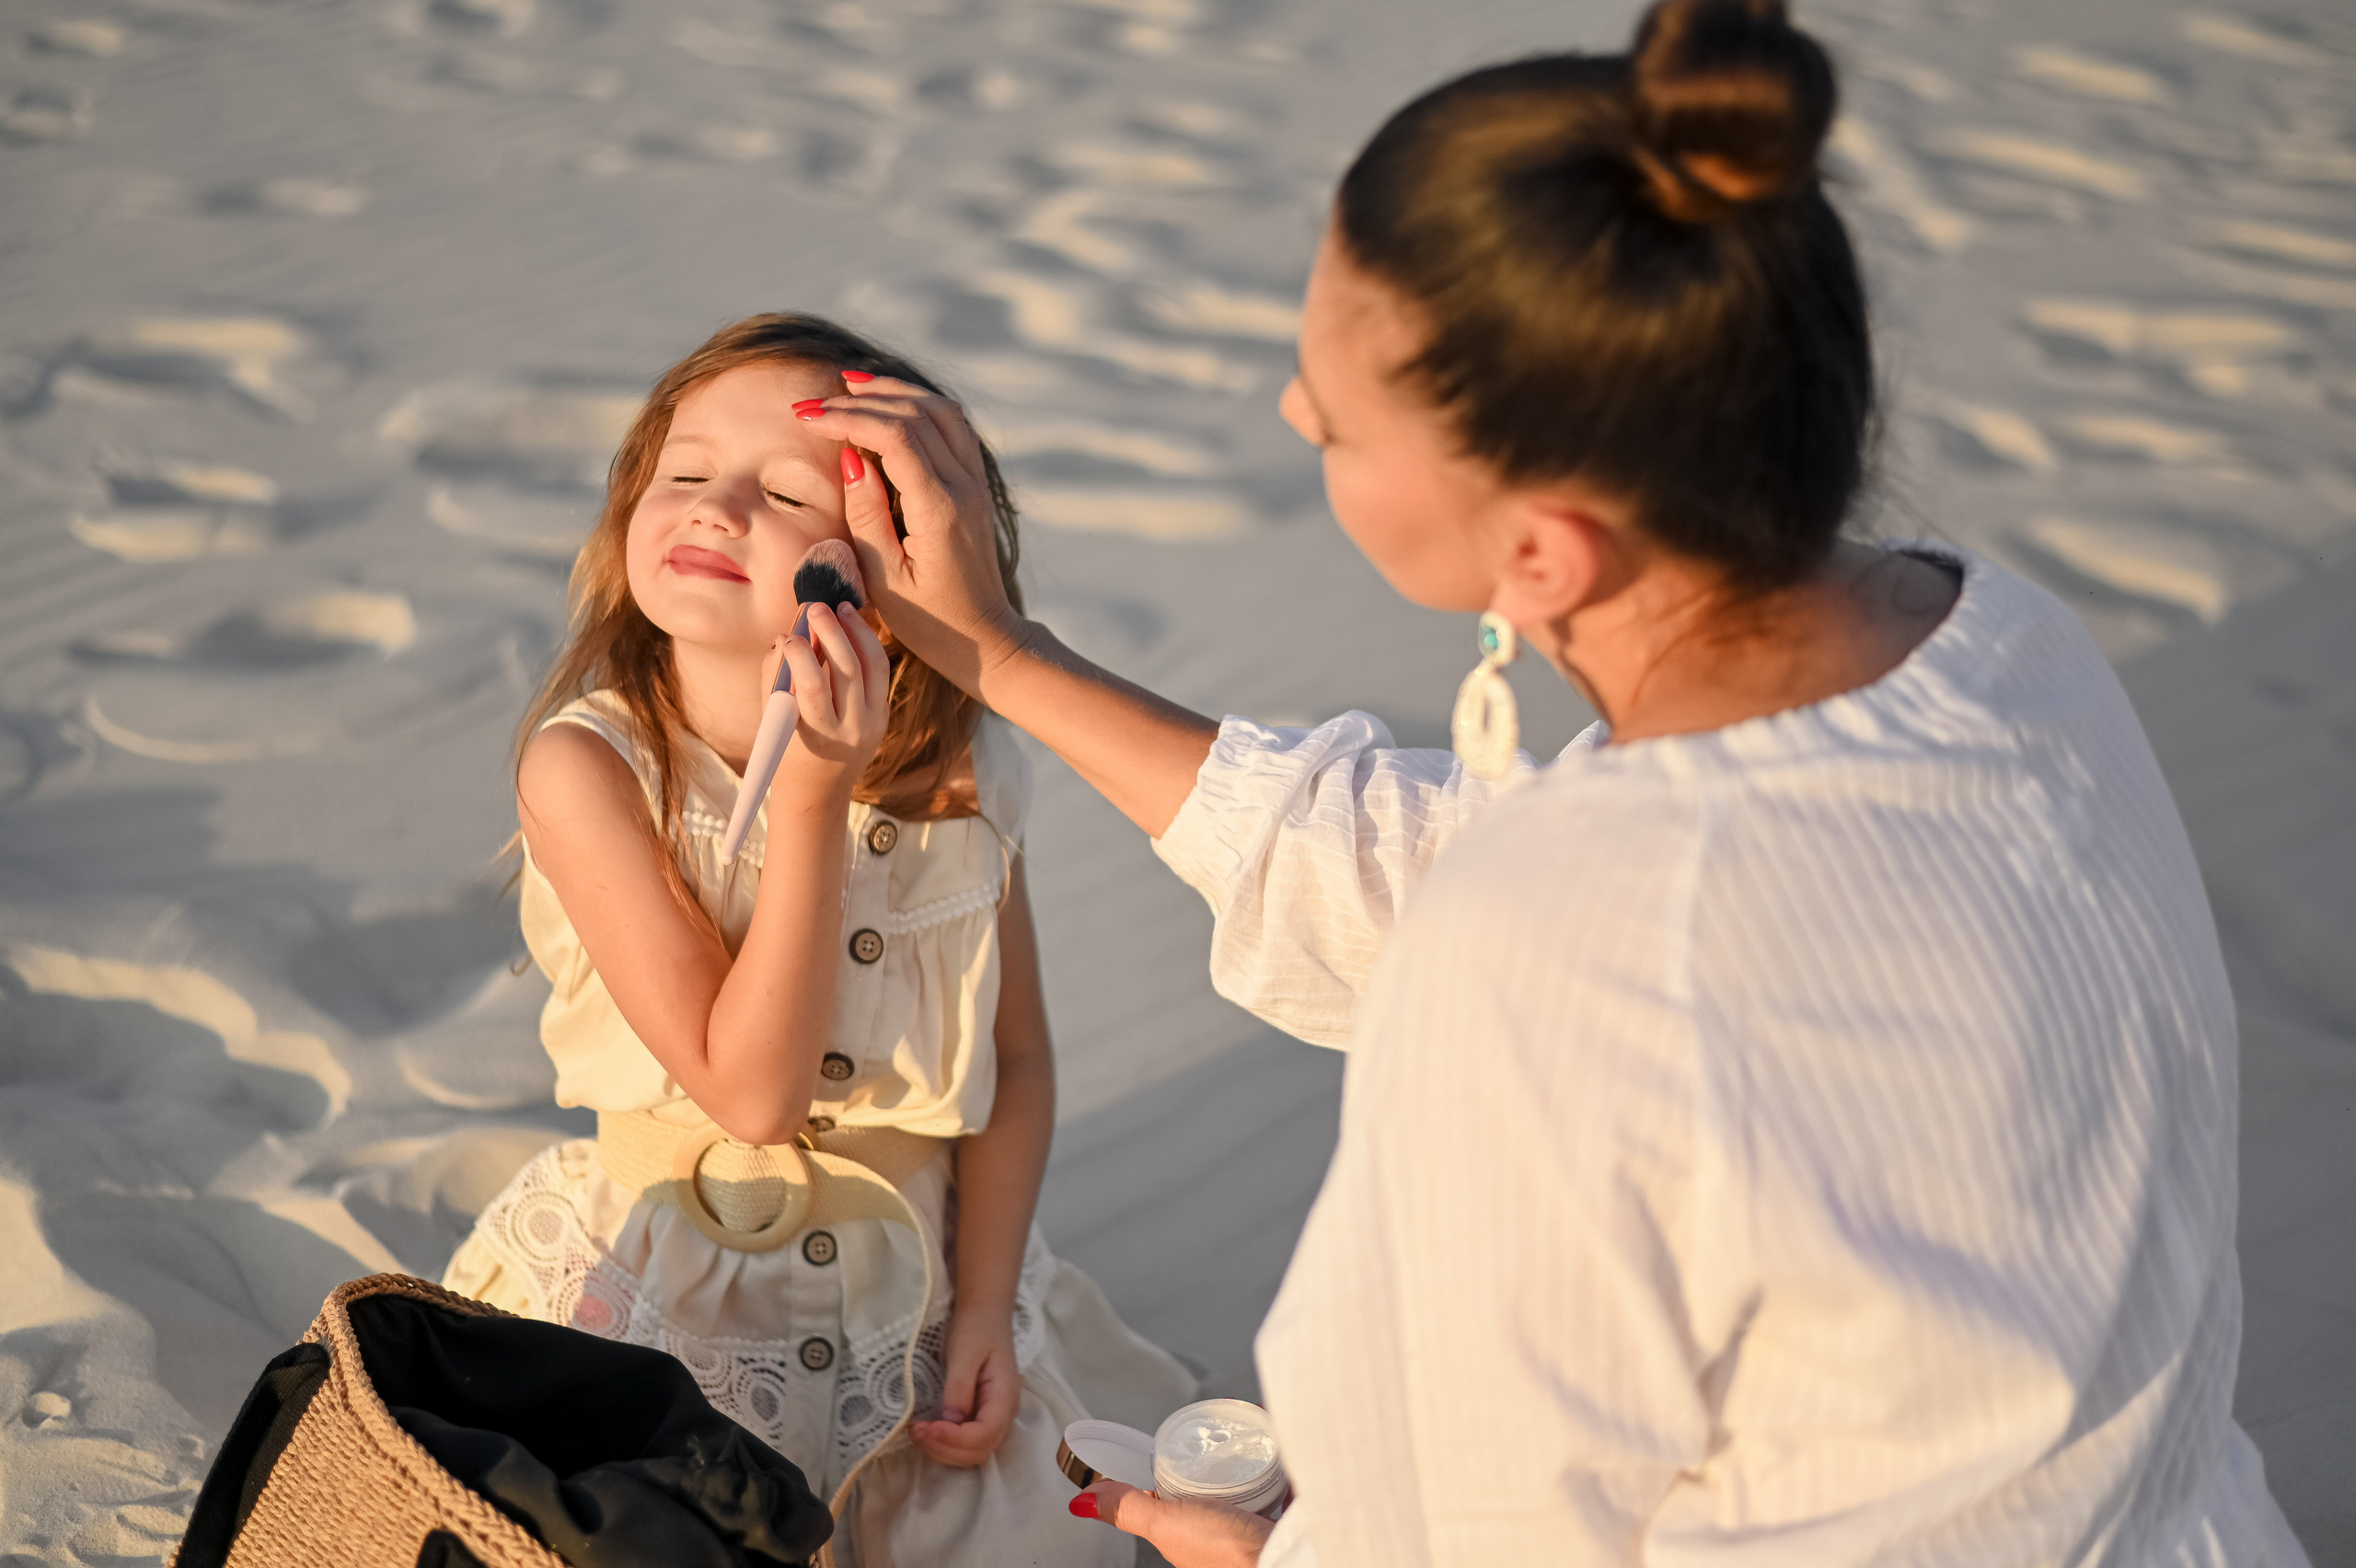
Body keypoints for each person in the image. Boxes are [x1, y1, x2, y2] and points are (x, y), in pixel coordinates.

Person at [789, 0, 2316, 1562]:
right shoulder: (1987, 635)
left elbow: (1472, 1523)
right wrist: (1004, 651)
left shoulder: (1562, 952)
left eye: (1337, 417)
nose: (1291, 412)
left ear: (1540, 553)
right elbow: (1493, 878)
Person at [441, 314, 1196, 1568]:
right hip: (673, 1294)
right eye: (681, 472)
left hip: (914, 1286)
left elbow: (1019, 1068)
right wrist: (812, 805)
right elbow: (751, 1091)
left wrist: (990, 1310)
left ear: (893, 562)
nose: (715, 508)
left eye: (786, 490)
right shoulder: (586, 766)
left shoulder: (956, 771)